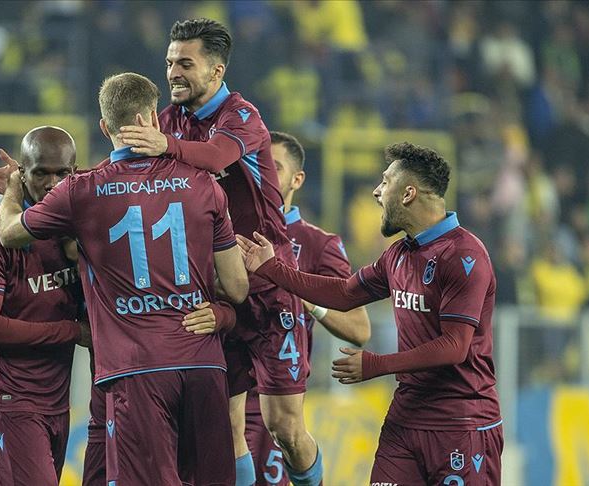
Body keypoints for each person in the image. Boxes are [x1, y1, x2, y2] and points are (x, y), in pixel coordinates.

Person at [0, 72, 249, 485]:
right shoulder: (204, 184)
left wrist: (13, 188)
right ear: (153, 118)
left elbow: (9, 233)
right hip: (203, 363)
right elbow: (237, 288)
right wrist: (216, 311)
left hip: (137, 370)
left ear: (104, 127)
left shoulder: (81, 192)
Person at [118, 19, 322, 485]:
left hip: (268, 286)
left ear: (216, 71)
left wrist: (164, 145)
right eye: (170, 62)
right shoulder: (169, 120)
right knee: (225, 428)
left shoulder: (241, 116)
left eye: (185, 64)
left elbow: (214, 157)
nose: (173, 72)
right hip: (216, 290)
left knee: (284, 427)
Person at [238, 142, 503, 485]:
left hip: (461, 422)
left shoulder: (464, 256)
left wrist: (377, 365)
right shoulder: (398, 254)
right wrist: (273, 269)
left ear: (408, 193)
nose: (377, 192)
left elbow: (455, 346)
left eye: (385, 182)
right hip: (405, 420)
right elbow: (344, 294)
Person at [0, 126, 90, 486]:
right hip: (7, 401)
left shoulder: (78, 228)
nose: (52, 184)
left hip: (56, 402)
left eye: (61, 173)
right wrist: (72, 331)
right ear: (22, 174)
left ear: (75, 172)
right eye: (40, 173)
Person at [246, 132, 372, 485]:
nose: (264, 173)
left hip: (276, 393)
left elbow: (359, 328)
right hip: (223, 386)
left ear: (297, 180)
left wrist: (304, 296)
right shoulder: (224, 229)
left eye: (275, 167)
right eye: (257, 164)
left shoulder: (318, 244)